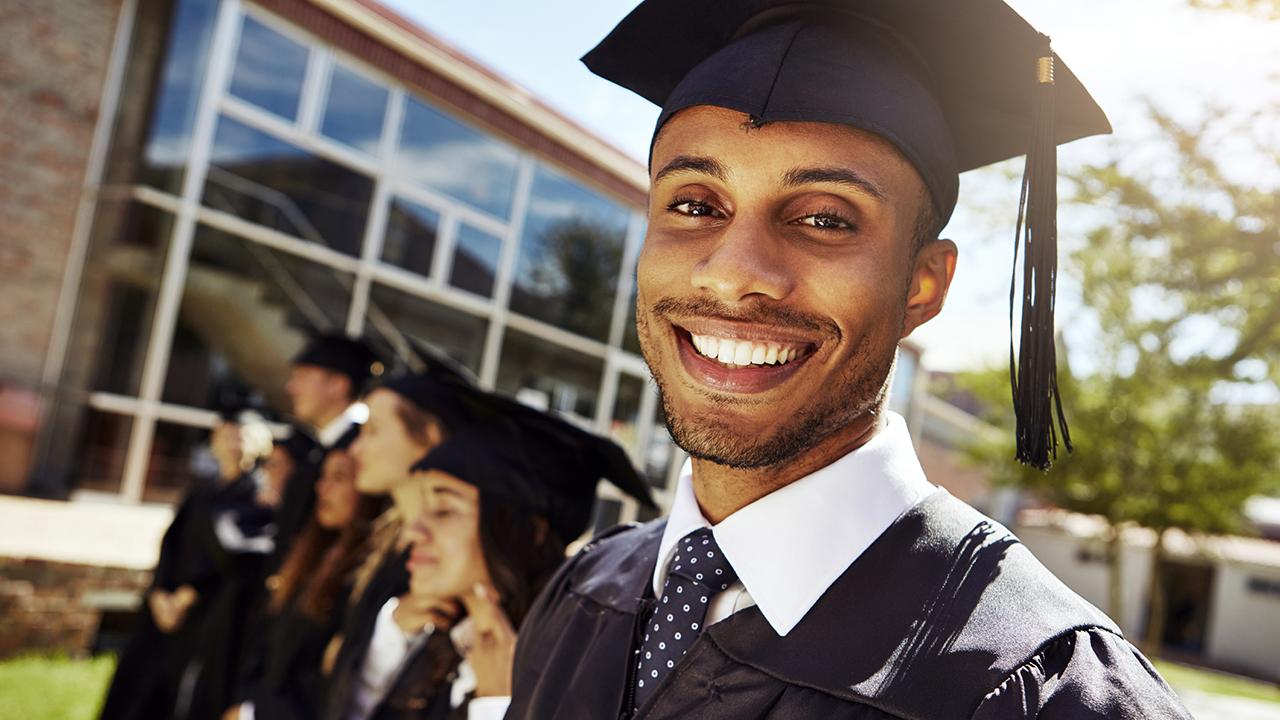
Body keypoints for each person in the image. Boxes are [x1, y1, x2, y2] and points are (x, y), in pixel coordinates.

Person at [503, 2, 1194, 718]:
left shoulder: (1049, 692)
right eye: (695, 206)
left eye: (824, 219)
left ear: (922, 285)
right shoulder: (582, 593)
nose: (733, 274)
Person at [342, 409, 651, 720]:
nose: (413, 532)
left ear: (529, 531)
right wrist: (392, 639)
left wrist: (497, 707)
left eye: (444, 510)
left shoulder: (571, 667)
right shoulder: (445, 636)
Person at [323, 371, 482, 720]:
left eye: (373, 431)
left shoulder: (449, 562)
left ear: (430, 435)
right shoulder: (384, 538)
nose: (355, 448)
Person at [99, 411, 274, 720]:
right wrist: (159, 591)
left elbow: (237, 558)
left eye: (241, 437)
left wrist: (189, 594)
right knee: (138, 691)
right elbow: (171, 543)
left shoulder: (257, 497)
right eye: (226, 436)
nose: (233, 444)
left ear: (259, 445)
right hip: (165, 608)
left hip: (209, 615)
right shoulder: (202, 491)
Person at [225, 434, 384, 720]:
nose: (323, 488)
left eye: (339, 477)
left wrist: (254, 713)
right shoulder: (310, 557)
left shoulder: (363, 577)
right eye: (323, 476)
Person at [275, 333, 383, 563]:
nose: (292, 387)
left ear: (338, 385)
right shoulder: (318, 450)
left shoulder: (355, 453)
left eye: (303, 376)